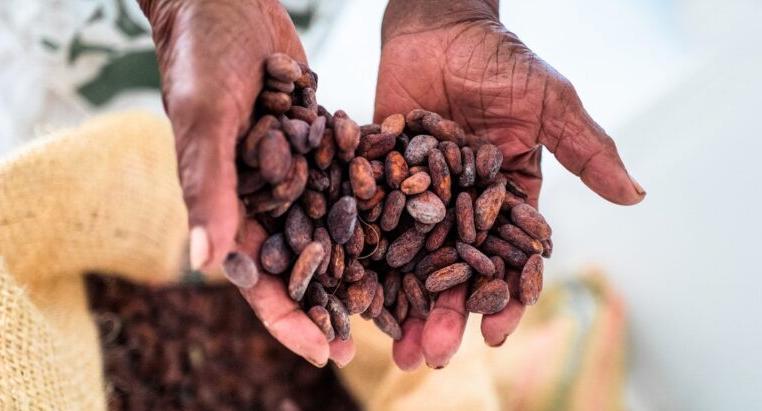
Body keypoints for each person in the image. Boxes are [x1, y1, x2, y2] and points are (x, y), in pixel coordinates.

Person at [137, 0, 645, 371]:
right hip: (170, 34)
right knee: (184, 135)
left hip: (249, 24)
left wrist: (447, 9)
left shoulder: (403, 208)